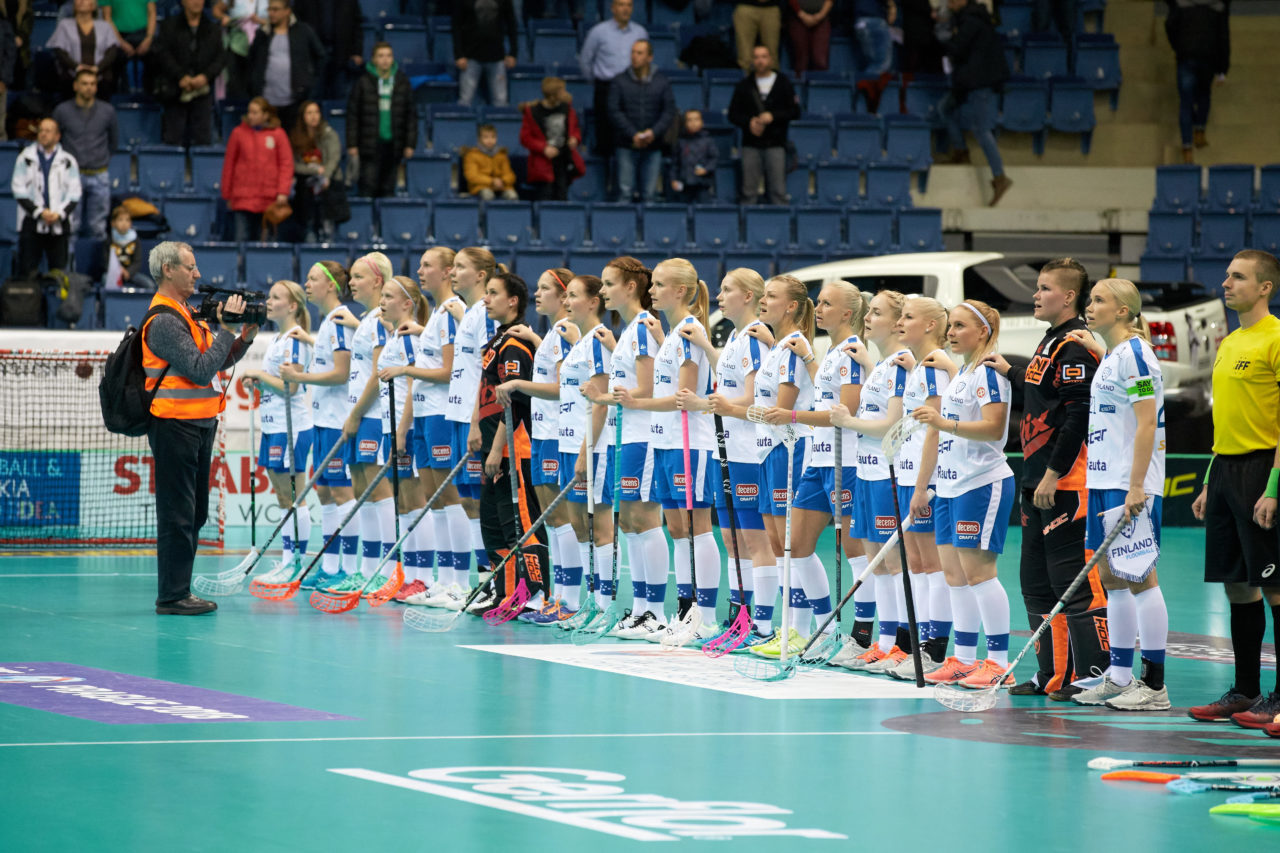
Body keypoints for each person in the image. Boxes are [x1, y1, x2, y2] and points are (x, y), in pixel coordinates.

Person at [981, 258, 1107, 701]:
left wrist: (1054, 475)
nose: (1036, 295)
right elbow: (1042, 390)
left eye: (1044, 288)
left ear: (1069, 296)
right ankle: (1052, 672)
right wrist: (1009, 371)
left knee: (1070, 581)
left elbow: (1076, 417)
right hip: (1034, 482)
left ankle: (1091, 671)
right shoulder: (1050, 341)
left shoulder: (1075, 346)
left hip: (1064, 484)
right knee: (1035, 584)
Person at [1062, 279, 1170, 711]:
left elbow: (1147, 423)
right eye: (1089, 299)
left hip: (1131, 483)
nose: (1090, 306)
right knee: (1111, 578)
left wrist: (1138, 485)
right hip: (1104, 481)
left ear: (1124, 311)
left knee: (1140, 577)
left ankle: (1155, 685)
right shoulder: (1112, 355)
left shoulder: (1138, 355)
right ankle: (1120, 676)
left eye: (1100, 301)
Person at [1189, 250, 1280, 726]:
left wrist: (1274, 488)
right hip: (1225, 472)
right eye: (1226, 275)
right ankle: (1246, 691)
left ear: (1265, 287)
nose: (1226, 284)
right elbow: (1225, 421)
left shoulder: (1277, 337)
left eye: (1238, 277)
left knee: (1275, 588)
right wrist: (1209, 481)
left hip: (1264, 472)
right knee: (1237, 588)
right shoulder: (1230, 341)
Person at [144, 241, 256, 614]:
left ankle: (180, 590)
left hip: (197, 423)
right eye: (190, 268)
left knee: (194, 513)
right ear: (168, 271)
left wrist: (243, 338)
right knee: (178, 513)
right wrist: (225, 328)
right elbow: (199, 368)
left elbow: (216, 359)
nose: (198, 275)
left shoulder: (186, 315)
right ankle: (173, 595)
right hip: (175, 424)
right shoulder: (163, 321)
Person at [911, 300, 1017, 688]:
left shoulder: (990, 371)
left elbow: (992, 428)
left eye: (958, 326)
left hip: (981, 482)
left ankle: (998, 663)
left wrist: (943, 421)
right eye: (950, 326)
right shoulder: (963, 373)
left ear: (983, 331)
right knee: (954, 575)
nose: (950, 332)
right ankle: (964, 659)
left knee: (980, 574)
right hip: (950, 485)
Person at [758, 282, 867, 658]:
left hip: (845, 461)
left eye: (826, 304)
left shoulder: (854, 350)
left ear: (848, 313)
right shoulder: (830, 351)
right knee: (796, 547)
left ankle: (861, 637)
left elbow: (845, 412)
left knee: (855, 551)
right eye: (817, 302)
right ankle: (824, 628)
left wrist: (792, 415)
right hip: (817, 461)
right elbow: (826, 391)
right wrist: (808, 359)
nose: (816, 309)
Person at [620, 259, 719, 642]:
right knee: (678, 530)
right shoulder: (676, 333)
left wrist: (635, 402)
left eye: (660, 285)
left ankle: (704, 619)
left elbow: (683, 396)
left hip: (688, 443)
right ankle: (684, 613)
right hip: (664, 441)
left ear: (680, 290)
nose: (652, 291)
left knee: (696, 529)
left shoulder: (691, 329)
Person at [687, 269, 780, 643]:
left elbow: (756, 398)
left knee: (756, 541)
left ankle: (763, 625)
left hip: (746, 452)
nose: (720, 297)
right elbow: (728, 384)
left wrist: (714, 404)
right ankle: (739, 617)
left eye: (728, 290)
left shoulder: (756, 339)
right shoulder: (737, 338)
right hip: (720, 448)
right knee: (732, 539)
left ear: (749, 297)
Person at [493, 268, 585, 623]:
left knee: (562, 520)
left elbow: (565, 387)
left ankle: (569, 599)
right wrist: (534, 339)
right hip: (544, 435)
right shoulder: (549, 335)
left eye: (545, 288)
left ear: (563, 297)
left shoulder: (563, 333)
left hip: (559, 434)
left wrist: (518, 383)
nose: (538, 293)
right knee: (552, 518)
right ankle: (556, 596)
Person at [830, 291, 915, 674]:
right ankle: (881, 644)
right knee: (875, 562)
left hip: (886, 473)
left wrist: (848, 422)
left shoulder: (900, 365)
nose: (868, 317)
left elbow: (891, 425)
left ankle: (900, 643)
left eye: (876, 313)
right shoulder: (880, 364)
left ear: (898, 323)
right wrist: (868, 362)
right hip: (865, 472)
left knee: (892, 563)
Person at [594, 257, 668, 640]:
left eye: (608, 283)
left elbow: (649, 388)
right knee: (627, 521)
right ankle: (639, 608)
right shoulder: (626, 331)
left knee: (644, 519)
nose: (602, 291)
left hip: (642, 435)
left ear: (631, 287)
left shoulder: (642, 328)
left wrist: (603, 395)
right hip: (621, 435)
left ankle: (655, 611)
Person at [743, 275, 816, 657]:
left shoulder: (792, 349)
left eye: (771, 296)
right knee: (776, 542)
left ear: (791, 306)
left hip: (790, 448)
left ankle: (802, 629)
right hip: (766, 450)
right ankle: (787, 628)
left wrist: (736, 409)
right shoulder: (775, 348)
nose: (762, 300)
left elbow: (781, 412)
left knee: (790, 543)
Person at [475, 271, 551, 610]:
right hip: (492, 447)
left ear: (513, 301)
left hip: (512, 450)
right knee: (493, 525)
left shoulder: (516, 344)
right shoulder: (495, 343)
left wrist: (497, 449)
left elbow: (515, 403)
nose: (485, 299)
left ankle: (534, 593)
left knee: (521, 523)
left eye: (493, 293)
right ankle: (505, 591)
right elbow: (489, 396)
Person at [279, 260, 357, 591]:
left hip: (339, 420)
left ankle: (351, 569)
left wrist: (300, 377)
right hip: (323, 419)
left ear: (330, 285)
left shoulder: (339, 320)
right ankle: (328, 566)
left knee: (342, 492)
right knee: (325, 493)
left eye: (312, 279)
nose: (307, 284)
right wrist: (311, 342)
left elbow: (341, 372)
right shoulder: (327, 323)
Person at [391, 247, 461, 606]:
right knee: (435, 501)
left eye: (427, 266)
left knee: (449, 499)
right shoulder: (436, 314)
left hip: (440, 413)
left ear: (448, 272)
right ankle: (443, 579)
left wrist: (406, 370)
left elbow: (449, 372)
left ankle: (458, 583)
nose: (420, 271)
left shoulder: (450, 312)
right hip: (423, 413)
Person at [330, 252, 398, 595]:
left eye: (358, 277)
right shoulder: (370, 321)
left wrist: (355, 414)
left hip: (372, 416)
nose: (351, 283)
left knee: (377, 492)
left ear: (378, 281)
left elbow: (377, 373)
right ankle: (368, 570)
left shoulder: (379, 321)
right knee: (362, 492)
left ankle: (387, 572)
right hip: (360, 414)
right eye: (350, 277)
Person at [547, 273, 613, 622]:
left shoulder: (599, 340)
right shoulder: (581, 341)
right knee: (577, 526)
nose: (567, 301)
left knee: (598, 527)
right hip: (568, 439)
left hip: (591, 445)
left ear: (594, 302)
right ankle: (588, 601)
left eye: (573, 296)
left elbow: (601, 401)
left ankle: (604, 605)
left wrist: (587, 450)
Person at [240, 280, 316, 582]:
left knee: (294, 497)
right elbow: (278, 382)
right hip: (272, 426)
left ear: (293, 306)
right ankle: (288, 560)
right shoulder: (277, 339)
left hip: (292, 427)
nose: (268, 302)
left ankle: (294, 562)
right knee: (283, 498)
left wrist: (258, 373)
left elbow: (293, 385)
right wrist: (258, 382)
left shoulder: (295, 340)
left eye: (275, 297)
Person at [446, 248, 502, 608]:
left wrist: (477, 421)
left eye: (461, 267)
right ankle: (484, 581)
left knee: (483, 502)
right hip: (459, 415)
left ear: (481, 275)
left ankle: (497, 581)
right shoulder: (469, 313)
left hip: (477, 418)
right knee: (468, 500)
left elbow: (489, 373)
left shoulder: (485, 314)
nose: (453, 272)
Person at [374, 274, 430, 594]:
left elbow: (413, 387)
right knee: (403, 504)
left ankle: (420, 577)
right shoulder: (396, 336)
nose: (382, 302)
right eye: (381, 296)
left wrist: (401, 431)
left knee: (414, 501)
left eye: (389, 297)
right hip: (389, 426)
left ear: (407, 303)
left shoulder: (410, 338)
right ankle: (406, 577)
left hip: (402, 427)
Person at [941, 0, 1012, 207]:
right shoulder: (968, 19)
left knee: (981, 129)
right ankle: (961, 152)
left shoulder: (971, 22)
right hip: (967, 82)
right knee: (945, 109)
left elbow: (956, 48)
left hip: (979, 84)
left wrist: (945, 32)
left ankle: (1000, 177)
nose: (949, 3)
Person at [728, 44, 799, 206]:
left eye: (764, 56)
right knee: (748, 192)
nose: (760, 61)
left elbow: (794, 111)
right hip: (751, 144)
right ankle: (746, 227)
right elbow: (733, 114)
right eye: (756, 57)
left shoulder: (783, 83)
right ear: (752, 60)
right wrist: (749, 122)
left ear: (771, 59)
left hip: (776, 144)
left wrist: (773, 116)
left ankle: (780, 226)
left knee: (778, 191)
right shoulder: (744, 85)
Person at [51, 68, 116, 243]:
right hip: (71, 176)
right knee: (71, 227)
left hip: (99, 174)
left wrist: (101, 160)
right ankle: (68, 269)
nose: (89, 87)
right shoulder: (62, 111)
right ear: (75, 86)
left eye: (93, 84)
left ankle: (97, 270)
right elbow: (54, 141)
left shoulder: (108, 111)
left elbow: (113, 143)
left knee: (98, 228)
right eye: (85, 83)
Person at [607, 39, 676, 203]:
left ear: (649, 57)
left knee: (650, 195)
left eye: (639, 53)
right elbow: (614, 110)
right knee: (624, 193)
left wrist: (653, 132)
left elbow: (668, 111)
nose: (634, 56)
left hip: (654, 145)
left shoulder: (662, 82)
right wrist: (633, 134)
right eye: (633, 52)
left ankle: (649, 228)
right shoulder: (619, 81)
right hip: (626, 144)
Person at [345, 41, 416, 199]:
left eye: (388, 55)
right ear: (374, 59)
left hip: (393, 144)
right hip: (369, 144)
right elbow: (353, 115)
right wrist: (352, 143)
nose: (385, 59)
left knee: (388, 188)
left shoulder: (402, 82)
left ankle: (386, 222)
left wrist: (410, 143)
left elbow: (411, 115)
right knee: (368, 186)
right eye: (381, 56)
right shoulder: (363, 83)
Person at [580, 0, 648, 162]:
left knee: (629, 135)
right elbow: (585, 60)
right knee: (605, 135)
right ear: (613, 8)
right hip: (606, 87)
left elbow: (645, 60)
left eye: (629, 5)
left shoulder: (640, 32)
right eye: (621, 4)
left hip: (632, 88)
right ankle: (604, 179)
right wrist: (596, 81)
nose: (625, 9)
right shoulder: (599, 32)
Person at [11, 117, 80, 277]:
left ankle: (56, 302)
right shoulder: (25, 158)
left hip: (59, 223)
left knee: (59, 275)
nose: (43, 134)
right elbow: (18, 189)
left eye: (48, 131)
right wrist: (39, 212)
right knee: (28, 273)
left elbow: (74, 193)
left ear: (57, 136)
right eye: (41, 130)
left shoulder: (68, 161)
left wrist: (58, 214)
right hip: (31, 222)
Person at [152, 0, 226, 147]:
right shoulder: (169, 26)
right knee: (173, 139)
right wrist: (180, 76)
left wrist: (205, 76)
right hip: (175, 90)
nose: (196, 2)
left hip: (203, 91)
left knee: (202, 140)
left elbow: (220, 58)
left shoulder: (213, 29)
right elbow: (162, 54)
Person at [1164, 0, 1230, 162]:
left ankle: (1187, 147)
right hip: (1207, 58)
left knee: (1185, 103)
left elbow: (1170, 26)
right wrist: (1222, 69)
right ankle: (1199, 131)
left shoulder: (1181, 4)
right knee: (1204, 94)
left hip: (1186, 57)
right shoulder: (1218, 6)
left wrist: (1178, 46)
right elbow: (1223, 38)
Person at [220, 97, 291, 243]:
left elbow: (286, 164)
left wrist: (283, 191)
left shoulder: (278, 134)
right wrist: (226, 194)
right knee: (241, 240)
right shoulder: (238, 133)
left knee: (266, 243)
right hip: (242, 198)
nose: (251, 115)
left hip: (269, 199)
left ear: (266, 115)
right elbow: (229, 165)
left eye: (255, 112)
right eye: (249, 112)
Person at [249, 0, 326, 131]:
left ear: (287, 11)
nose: (271, 13)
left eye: (275, 9)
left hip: (295, 101)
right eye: (269, 9)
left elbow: (321, 57)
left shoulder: (303, 31)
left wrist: (310, 83)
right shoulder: (263, 34)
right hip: (267, 103)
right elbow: (252, 60)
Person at [520, 76, 585, 202]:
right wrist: (543, 148)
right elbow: (525, 138)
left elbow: (575, 129)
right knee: (546, 197)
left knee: (562, 196)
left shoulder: (567, 109)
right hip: (543, 163)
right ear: (552, 95)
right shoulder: (533, 112)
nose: (566, 94)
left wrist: (575, 138)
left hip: (564, 161)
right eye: (562, 91)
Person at [47, 0, 122, 98]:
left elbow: (112, 51)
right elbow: (59, 51)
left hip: (100, 75)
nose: (81, 1)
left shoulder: (105, 26)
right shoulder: (64, 25)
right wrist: (77, 68)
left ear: (93, 5)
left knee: (106, 81)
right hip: (71, 75)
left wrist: (97, 68)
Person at [290, 100, 342, 241]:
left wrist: (325, 176)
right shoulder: (296, 137)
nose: (314, 116)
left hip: (328, 179)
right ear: (303, 117)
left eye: (316, 112)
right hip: (306, 181)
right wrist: (314, 171)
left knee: (328, 190)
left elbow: (334, 158)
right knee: (304, 191)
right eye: (309, 113)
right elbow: (294, 165)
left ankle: (328, 231)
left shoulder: (329, 134)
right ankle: (309, 231)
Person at [290, 0, 362, 101]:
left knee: (339, 98)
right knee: (314, 98)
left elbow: (357, 24)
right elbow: (297, 24)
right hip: (313, 56)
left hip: (341, 54)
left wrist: (357, 52)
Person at [453, 0, 519, 107]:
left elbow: (511, 24)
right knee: (465, 101)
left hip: (497, 56)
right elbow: (456, 26)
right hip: (470, 56)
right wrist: (459, 55)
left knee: (501, 101)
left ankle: (500, 124)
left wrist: (513, 53)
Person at [99, 0, 156, 94]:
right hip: (117, 35)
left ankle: (152, 95)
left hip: (144, 34)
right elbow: (107, 18)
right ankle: (114, 97)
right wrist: (120, 42)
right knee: (111, 59)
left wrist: (149, 38)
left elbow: (152, 13)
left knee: (156, 57)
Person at [669, 108, 717, 203]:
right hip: (684, 183)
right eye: (689, 120)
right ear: (685, 123)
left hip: (702, 184)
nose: (693, 123)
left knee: (703, 211)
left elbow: (714, 158)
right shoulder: (680, 142)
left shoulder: (708, 141)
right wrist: (673, 179)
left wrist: (706, 169)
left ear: (702, 122)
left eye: (696, 119)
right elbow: (674, 163)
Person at [103, 204, 154, 290]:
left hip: (131, 273)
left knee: (150, 285)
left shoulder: (135, 239)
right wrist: (118, 271)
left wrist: (128, 272)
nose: (124, 223)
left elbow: (137, 261)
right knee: (104, 279)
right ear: (113, 223)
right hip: (113, 273)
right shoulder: (109, 239)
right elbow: (105, 261)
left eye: (127, 220)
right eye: (120, 220)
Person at [462, 123, 519, 200]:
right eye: (486, 137)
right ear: (479, 139)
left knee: (512, 195)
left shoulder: (501, 155)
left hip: (502, 187)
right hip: (481, 187)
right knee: (487, 195)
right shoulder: (471, 155)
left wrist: (503, 181)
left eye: (493, 137)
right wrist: (492, 181)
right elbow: (472, 176)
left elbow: (510, 175)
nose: (490, 140)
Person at [733, 0, 781, 71]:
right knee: (745, 56)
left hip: (771, 7)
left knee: (771, 55)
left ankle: (773, 81)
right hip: (745, 7)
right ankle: (748, 80)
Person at [787, 0, 832, 75]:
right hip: (797, 17)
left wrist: (820, 16)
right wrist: (802, 15)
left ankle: (819, 85)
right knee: (801, 61)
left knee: (820, 60)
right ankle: (799, 85)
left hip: (822, 19)